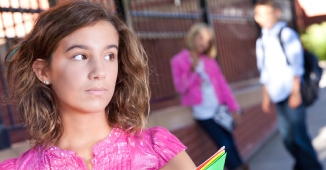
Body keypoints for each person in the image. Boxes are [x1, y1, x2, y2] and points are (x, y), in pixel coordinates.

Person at [0, 1, 196, 170]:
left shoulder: (158, 149)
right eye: (80, 56)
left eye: (109, 56)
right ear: (43, 71)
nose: (100, 71)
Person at [254, 0, 322, 169]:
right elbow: (264, 71)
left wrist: (295, 92)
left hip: (291, 92)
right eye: (261, 15)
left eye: (268, 13)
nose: (265, 18)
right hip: (277, 95)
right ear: (256, 18)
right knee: (287, 137)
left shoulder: (286, 34)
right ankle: (302, 164)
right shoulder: (261, 41)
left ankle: (311, 167)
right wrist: (266, 96)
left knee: (299, 136)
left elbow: (297, 66)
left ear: (277, 13)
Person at [170, 23, 248, 170]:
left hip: (219, 109)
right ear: (193, 37)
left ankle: (241, 166)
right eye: (201, 38)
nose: (203, 43)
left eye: (207, 41)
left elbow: (223, 86)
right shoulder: (178, 60)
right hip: (203, 113)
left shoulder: (209, 60)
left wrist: (234, 108)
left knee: (231, 141)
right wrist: (193, 72)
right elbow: (180, 87)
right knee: (223, 144)